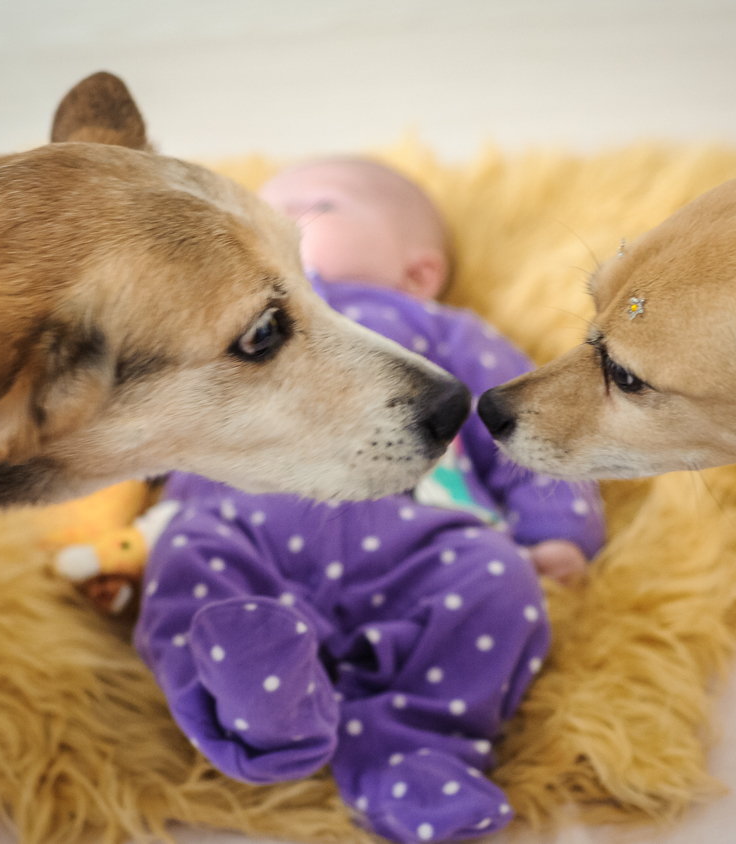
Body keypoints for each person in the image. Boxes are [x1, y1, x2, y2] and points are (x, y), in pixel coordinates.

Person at [134, 158, 604, 844]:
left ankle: (413, 754)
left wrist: (557, 531)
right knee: (185, 566)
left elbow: (527, 425)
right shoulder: (219, 324)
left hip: (422, 539)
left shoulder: (440, 328)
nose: (271, 228)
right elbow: (141, 411)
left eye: (310, 208)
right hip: (241, 527)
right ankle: (261, 715)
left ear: (419, 272)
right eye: (258, 213)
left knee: (499, 584)